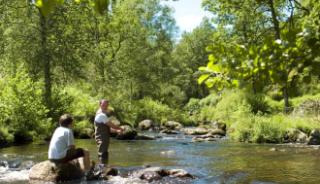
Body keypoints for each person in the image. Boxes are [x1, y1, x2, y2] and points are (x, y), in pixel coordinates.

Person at [94, 99, 123, 167]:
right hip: (101, 138)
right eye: (104, 105)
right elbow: (111, 125)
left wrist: (116, 131)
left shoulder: (102, 114)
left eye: (107, 105)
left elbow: (107, 128)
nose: (106, 106)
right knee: (102, 154)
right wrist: (120, 128)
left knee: (104, 154)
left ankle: (104, 168)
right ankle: (102, 171)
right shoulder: (101, 115)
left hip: (103, 138)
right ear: (100, 105)